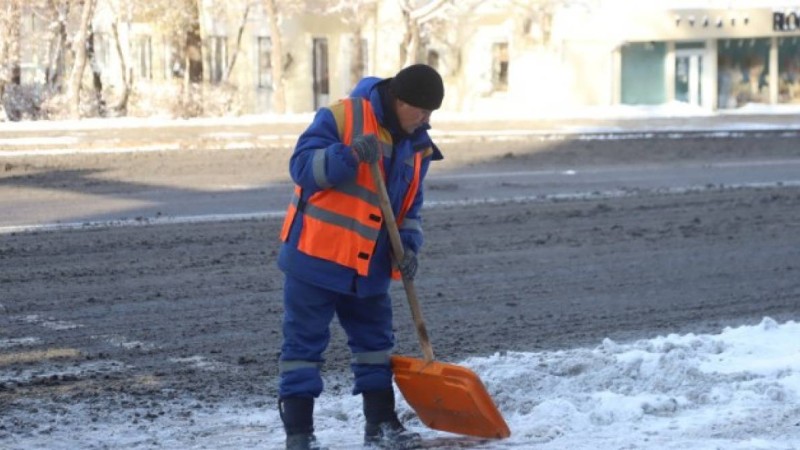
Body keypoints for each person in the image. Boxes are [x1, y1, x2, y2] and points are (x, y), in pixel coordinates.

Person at [276, 64, 445, 450]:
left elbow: (410, 207)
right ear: (399, 101)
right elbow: (301, 168)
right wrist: (348, 155)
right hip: (316, 257)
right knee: (303, 347)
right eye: (421, 112)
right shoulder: (342, 116)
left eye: (431, 113)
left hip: (370, 264)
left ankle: (381, 424)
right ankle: (300, 435)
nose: (426, 121)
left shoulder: (418, 146)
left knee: (375, 346)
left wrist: (408, 247)